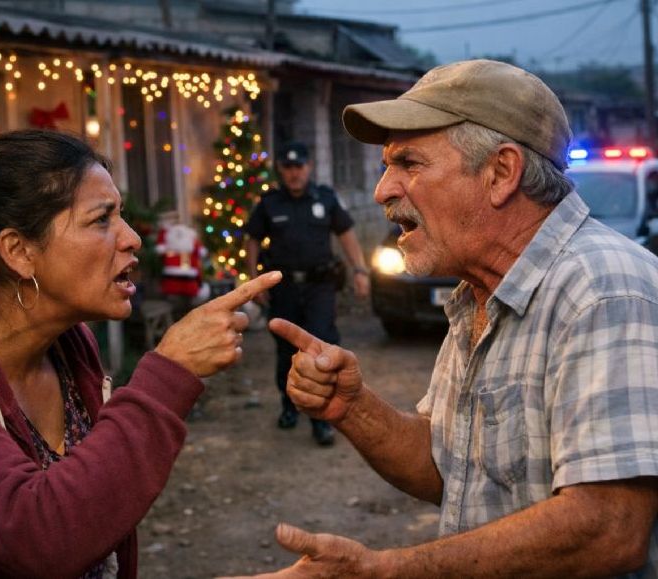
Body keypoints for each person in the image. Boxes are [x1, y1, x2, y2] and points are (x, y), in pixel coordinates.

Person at [225, 59, 658, 577]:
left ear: (501, 172)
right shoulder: (478, 295)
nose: (384, 189)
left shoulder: (602, 287)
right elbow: (450, 469)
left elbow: (609, 528)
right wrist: (353, 408)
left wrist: (384, 570)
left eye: (409, 163)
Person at [0, 129, 281, 578]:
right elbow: (40, 537)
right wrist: (168, 374)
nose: (132, 238)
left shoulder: (68, 342)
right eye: (102, 220)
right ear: (18, 251)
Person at [244, 141, 370, 447]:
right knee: (286, 350)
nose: (294, 173)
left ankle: (321, 419)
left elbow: (346, 234)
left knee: (322, 349)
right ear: (281, 171)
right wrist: (253, 281)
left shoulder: (325, 198)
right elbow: (253, 240)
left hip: (320, 288)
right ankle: (289, 406)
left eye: (299, 166)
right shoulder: (270, 203)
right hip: (284, 289)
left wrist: (360, 270)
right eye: (288, 168)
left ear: (308, 167)